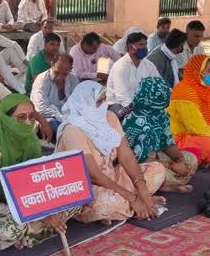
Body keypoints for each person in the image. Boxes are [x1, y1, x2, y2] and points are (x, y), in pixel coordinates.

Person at [0, 94, 78, 249]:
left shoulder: (31, 141)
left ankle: (32, 229)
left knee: (73, 204)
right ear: (5, 118)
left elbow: (35, 182)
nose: (28, 123)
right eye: (21, 118)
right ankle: (31, 230)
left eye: (31, 117)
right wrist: (41, 215)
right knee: (11, 231)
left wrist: (48, 209)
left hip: (21, 202)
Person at [56, 81, 166, 223]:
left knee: (157, 170)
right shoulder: (72, 129)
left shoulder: (109, 118)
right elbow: (93, 176)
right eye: (99, 101)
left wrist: (142, 188)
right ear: (84, 103)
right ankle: (134, 204)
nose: (104, 105)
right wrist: (133, 198)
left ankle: (130, 204)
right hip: (87, 188)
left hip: (112, 180)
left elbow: (127, 157)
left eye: (105, 100)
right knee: (102, 204)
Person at [122, 77, 196, 192]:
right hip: (136, 163)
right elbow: (136, 159)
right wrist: (171, 166)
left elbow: (167, 142)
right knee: (155, 171)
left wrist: (180, 160)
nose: (164, 101)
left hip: (156, 156)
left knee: (191, 159)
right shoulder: (136, 119)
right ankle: (165, 186)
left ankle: (161, 185)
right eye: (160, 97)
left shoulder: (161, 114)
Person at [106, 31, 160, 117]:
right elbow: (122, 96)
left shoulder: (148, 65)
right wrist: (140, 110)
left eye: (146, 45)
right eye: (141, 45)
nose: (145, 48)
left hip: (141, 104)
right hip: (118, 104)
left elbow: (159, 83)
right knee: (132, 117)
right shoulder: (120, 66)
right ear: (131, 47)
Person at [30, 53, 79, 135]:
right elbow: (41, 108)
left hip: (68, 118)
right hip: (48, 118)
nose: (59, 77)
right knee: (52, 123)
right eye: (57, 72)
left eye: (64, 74)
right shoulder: (42, 79)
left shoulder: (73, 79)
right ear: (52, 64)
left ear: (71, 69)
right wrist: (64, 119)